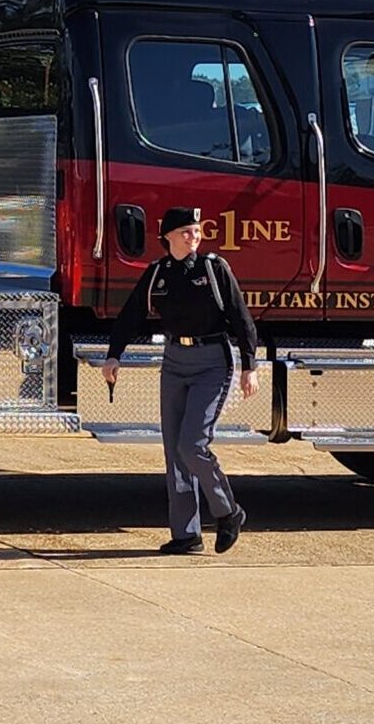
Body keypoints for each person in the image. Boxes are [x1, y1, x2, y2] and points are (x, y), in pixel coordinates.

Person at [99, 206, 261, 554]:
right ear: (168, 237)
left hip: (212, 361)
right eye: (187, 232)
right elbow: (131, 315)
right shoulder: (158, 273)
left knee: (193, 445)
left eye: (198, 232)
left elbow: (240, 314)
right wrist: (114, 354)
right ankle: (186, 535)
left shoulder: (213, 268)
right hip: (174, 360)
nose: (194, 237)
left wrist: (250, 365)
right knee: (174, 450)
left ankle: (227, 511)